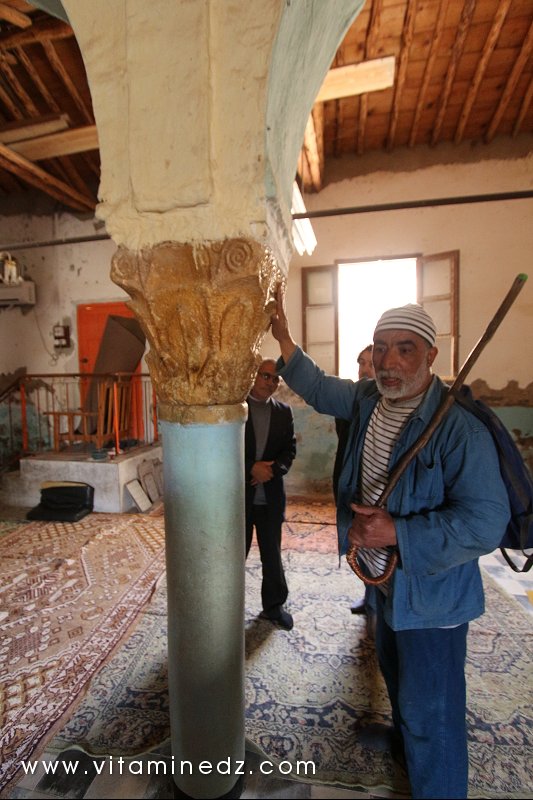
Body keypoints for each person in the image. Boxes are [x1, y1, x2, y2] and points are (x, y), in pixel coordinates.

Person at [270, 288, 510, 799]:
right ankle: (404, 745)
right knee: (396, 674)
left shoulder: (456, 429)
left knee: (434, 712)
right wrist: (285, 338)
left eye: (404, 348)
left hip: (433, 597)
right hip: (385, 582)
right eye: (381, 347)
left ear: (430, 356)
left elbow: (486, 522)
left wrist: (398, 531)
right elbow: (317, 387)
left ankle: (437, 781)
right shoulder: (367, 399)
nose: (389, 360)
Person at [245, 358, 297, 631]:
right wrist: (249, 468)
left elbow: (290, 450)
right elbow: (222, 450)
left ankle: (274, 606)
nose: (270, 382)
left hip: (271, 497)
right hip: (239, 500)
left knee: (272, 554)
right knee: (232, 555)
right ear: (253, 376)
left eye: (275, 379)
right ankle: (225, 607)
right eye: (265, 376)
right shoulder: (235, 410)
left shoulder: (283, 412)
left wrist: (273, 469)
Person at [332, 345, 375, 618]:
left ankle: (377, 598)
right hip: (350, 485)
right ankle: (368, 591)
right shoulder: (350, 400)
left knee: (376, 543)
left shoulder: (389, 403)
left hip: (376, 487)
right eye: (361, 363)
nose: (365, 369)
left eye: (371, 363)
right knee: (357, 541)